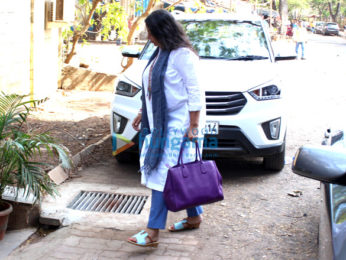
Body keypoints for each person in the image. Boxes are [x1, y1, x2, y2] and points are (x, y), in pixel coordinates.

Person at [127, 9, 206, 247]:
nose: (148, 37)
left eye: (151, 32)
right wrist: (143, 111)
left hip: (181, 125)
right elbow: (151, 87)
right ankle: (194, 217)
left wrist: (193, 126)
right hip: (160, 123)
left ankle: (152, 232)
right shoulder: (159, 53)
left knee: (162, 174)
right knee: (180, 171)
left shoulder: (183, 55)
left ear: (162, 31)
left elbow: (195, 91)